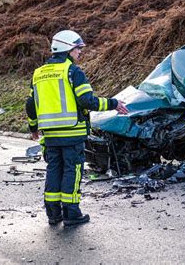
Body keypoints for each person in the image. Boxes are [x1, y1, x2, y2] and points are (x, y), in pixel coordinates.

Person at [25, 30, 128, 226]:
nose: (80, 52)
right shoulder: (72, 71)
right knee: (72, 171)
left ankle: (53, 214)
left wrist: (33, 128)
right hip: (72, 133)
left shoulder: (38, 73)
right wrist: (114, 103)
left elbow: (31, 104)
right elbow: (87, 101)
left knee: (54, 170)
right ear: (68, 49)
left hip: (50, 135)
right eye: (78, 48)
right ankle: (72, 214)